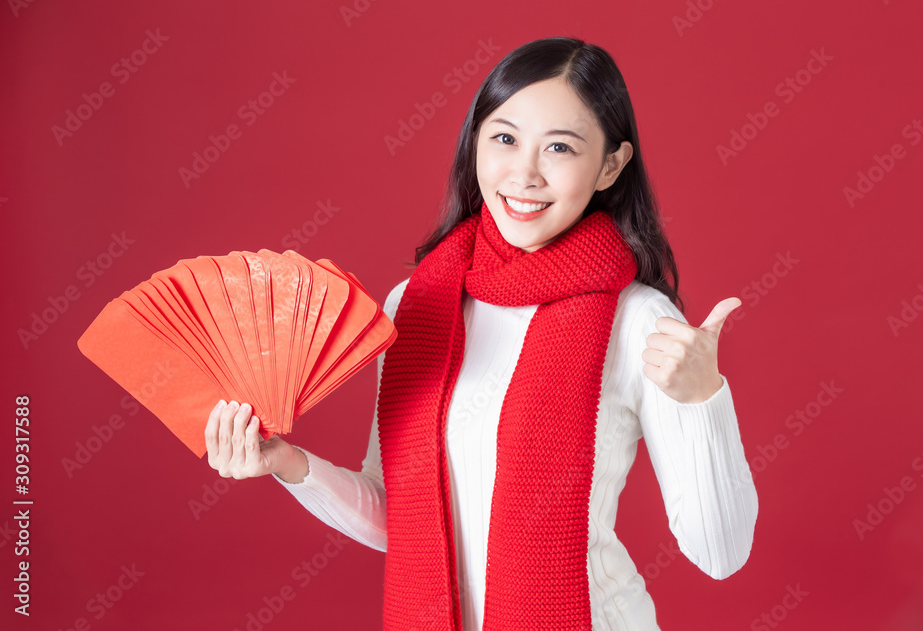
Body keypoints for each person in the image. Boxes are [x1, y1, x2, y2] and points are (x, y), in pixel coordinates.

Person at [204, 36, 758, 630]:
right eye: (504, 138)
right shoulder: (418, 305)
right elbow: (407, 518)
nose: (524, 174)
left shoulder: (639, 321)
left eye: (560, 149)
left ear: (610, 166)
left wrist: (705, 398)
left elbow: (721, 555)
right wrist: (286, 462)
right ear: (475, 145)